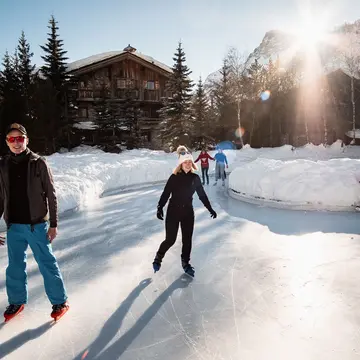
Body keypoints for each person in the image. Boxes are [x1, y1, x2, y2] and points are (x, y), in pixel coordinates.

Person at [0, 123, 69, 321]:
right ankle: (17, 301)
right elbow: (0, 198)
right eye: (12, 139)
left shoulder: (39, 163)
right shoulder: (3, 165)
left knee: (47, 264)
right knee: (14, 267)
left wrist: (54, 224)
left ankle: (59, 301)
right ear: (7, 142)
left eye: (19, 139)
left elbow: (51, 194)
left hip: (37, 226)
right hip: (14, 227)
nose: (16, 143)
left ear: (26, 140)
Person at [152, 145, 217, 277]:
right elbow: (166, 193)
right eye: (185, 162)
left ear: (192, 164)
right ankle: (159, 257)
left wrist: (210, 208)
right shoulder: (174, 177)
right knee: (170, 240)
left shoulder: (195, 178)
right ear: (180, 164)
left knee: (187, 240)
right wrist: (160, 207)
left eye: (189, 162)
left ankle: (185, 263)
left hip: (188, 213)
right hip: (173, 212)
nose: (187, 164)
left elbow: (202, 195)